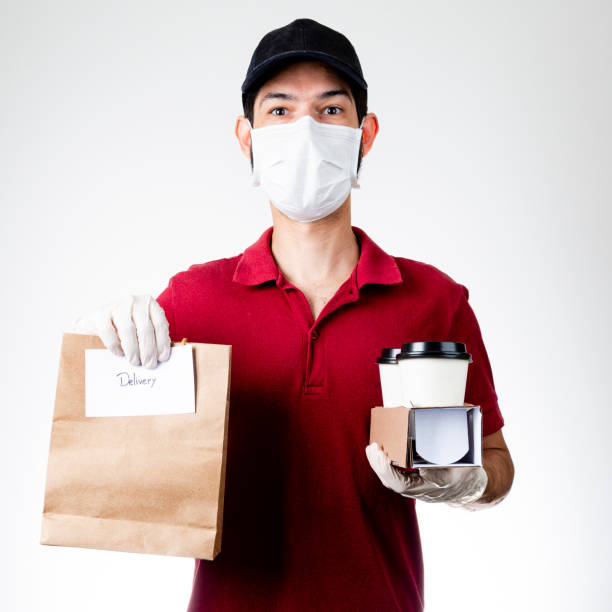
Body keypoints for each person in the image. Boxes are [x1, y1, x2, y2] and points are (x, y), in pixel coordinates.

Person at [73, 18, 514, 612]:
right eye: (279, 111)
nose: (305, 130)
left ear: (366, 133)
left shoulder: (433, 300)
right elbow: (114, 461)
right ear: (246, 136)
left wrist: (468, 484)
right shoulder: (193, 301)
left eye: (330, 111)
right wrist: (102, 344)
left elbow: (496, 461)